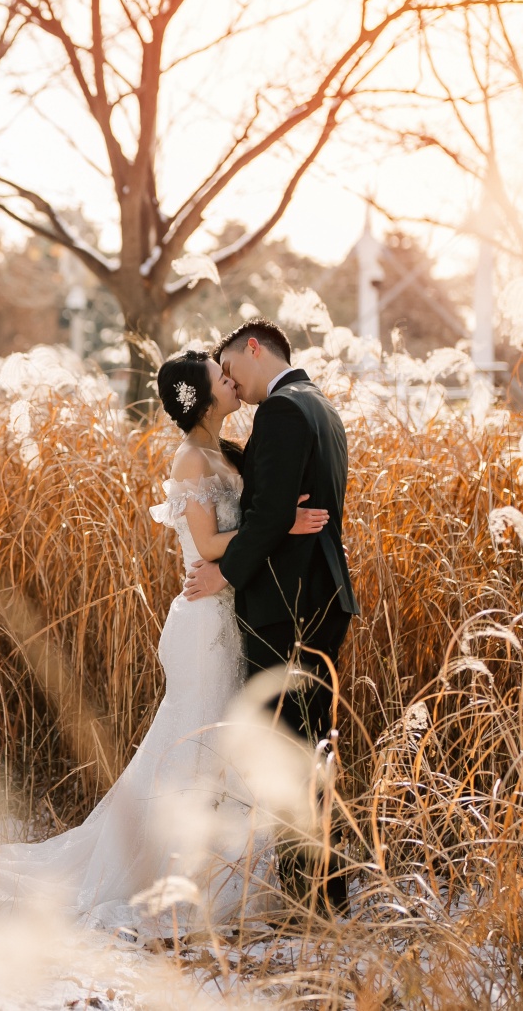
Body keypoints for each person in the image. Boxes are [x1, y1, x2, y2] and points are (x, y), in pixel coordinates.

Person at [0, 348, 327, 938]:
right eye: (220, 377)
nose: (232, 382)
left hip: (231, 617)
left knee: (221, 746)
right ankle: (163, 871)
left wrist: (281, 521)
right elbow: (205, 545)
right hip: (204, 623)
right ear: (197, 397)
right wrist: (277, 526)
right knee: (194, 745)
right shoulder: (189, 463)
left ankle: (218, 868)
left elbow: (255, 523)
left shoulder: (227, 455)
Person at [183, 318, 356, 911]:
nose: (229, 379)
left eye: (230, 367)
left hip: (287, 603)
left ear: (254, 348)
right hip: (319, 598)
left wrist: (222, 574)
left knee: (286, 750)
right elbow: (280, 509)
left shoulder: (283, 411)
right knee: (310, 748)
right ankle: (325, 895)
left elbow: (269, 512)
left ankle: (311, 900)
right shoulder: (319, 405)